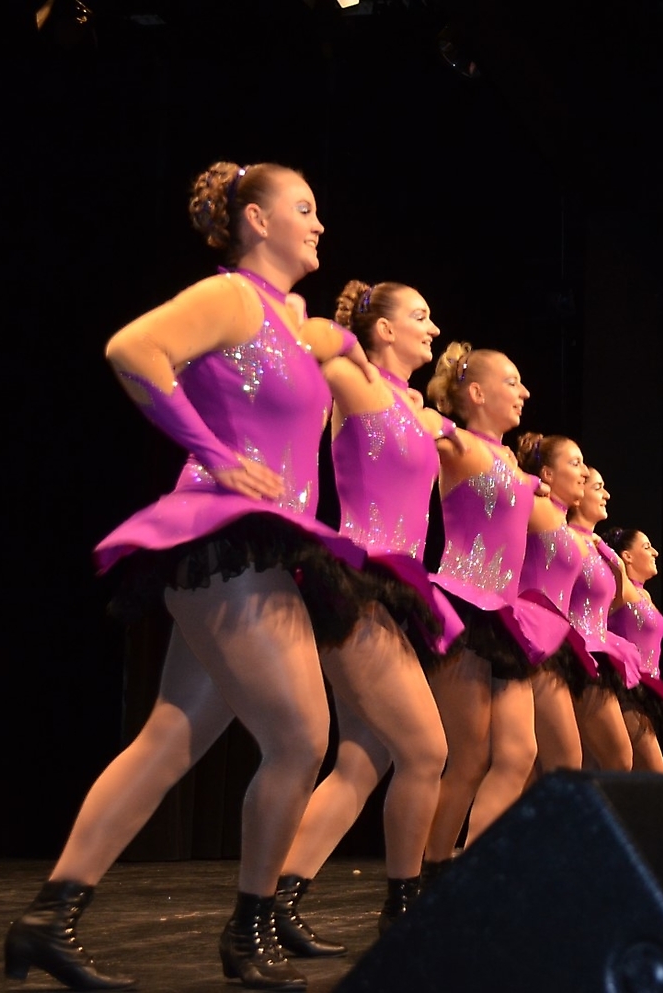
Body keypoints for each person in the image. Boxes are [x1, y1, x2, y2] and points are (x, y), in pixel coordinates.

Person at [4, 160, 376, 992]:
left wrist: (354, 342)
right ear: (256, 220)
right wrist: (212, 451)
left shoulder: (288, 319)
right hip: (226, 536)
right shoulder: (231, 297)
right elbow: (131, 349)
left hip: (259, 544)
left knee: (170, 735)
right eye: (304, 208)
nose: (320, 223)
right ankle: (247, 932)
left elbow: (336, 348)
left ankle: (46, 919)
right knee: (300, 738)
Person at [271, 279, 465, 952]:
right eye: (420, 315)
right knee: (427, 750)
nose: (432, 328)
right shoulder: (354, 381)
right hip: (357, 584)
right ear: (383, 329)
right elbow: (292, 369)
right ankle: (404, 907)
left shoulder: (417, 407)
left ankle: (277, 901)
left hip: (397, 593)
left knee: (364, 758)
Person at [421, 343, 556, 873]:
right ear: (476, 393)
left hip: (505, 616)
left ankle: (475, 869)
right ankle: (424, 873)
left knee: (520, 754)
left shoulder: (510, 462)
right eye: (512, 382)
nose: (524, 392)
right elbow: (422, 429)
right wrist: (421, 416)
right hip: (465, 607)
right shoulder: (458, 445)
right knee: (469, 756)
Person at [512, 432, 598, 774]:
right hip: (532, 639)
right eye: (575, 463)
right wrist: (524, 481)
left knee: (533, 768)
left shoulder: (560, 521)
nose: (584, 472)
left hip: (553, 643)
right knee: (558, 761)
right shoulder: (537, 506)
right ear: (548, 473)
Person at [563, 466, 643, 771]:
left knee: (596, 762)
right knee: (615, 759)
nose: (606, 494)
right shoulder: (568, 537)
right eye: (598, 487)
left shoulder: (598, 548)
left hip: (596, 651)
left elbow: (613, 603)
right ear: (579, 493)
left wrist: (618, 568)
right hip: (577, 653)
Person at [604, 526, 663, 772]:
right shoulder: (621, 587)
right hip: (625, 689)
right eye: (647, 547)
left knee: (634, 771)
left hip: (645, 692)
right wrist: (598, 544)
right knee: (650, 771)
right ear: (627, 556)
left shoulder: (644, 596)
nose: (655, 553)